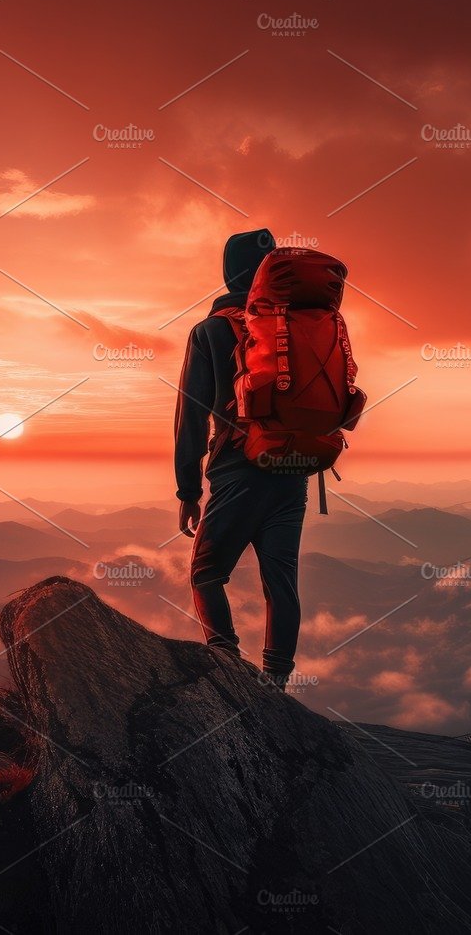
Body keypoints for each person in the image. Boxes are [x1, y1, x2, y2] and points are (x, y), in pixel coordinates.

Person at [172, 228, 307, 690]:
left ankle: (226, 669)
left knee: (206, 574)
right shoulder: (295, 326)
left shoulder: (210, 330)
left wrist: (188, 491)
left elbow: (190, 417)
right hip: (294, 470)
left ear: (229, 272)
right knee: (281, 583)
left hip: (238, 469)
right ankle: (276, 682)